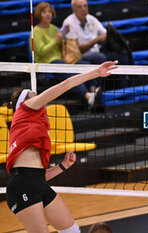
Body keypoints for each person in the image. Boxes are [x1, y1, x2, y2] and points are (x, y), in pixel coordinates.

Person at [5, 61, 117, 233]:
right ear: (24, 102)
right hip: (21, 187)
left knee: (71, 230)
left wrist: (63, 166)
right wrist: (96, 73)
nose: (39, 98)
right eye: (34, 95)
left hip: (36, 183)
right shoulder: (25, 109)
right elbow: (65, 84)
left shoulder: (34, 128)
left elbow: (37, 176)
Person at [32, 1, 100, 107]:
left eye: (49, 11)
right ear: (39, 14)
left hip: (62, 61)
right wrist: (56, 39)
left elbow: (60, 48)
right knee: (68, 72)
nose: (47, 14)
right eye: (44, 12)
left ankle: (93, 90)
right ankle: (87, 96)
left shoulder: (54, 28)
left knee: (84, 64)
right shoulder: (36, 31)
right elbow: (41, 51)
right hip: (47, 63)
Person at [62, 0, 128, 88]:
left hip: (97, 52)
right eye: (79, 6)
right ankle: (97, 89)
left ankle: (123, 88)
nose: (83, 9)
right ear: (73, 9)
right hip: (80, 56)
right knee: (99, 57)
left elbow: (104, 35)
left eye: (85, 6)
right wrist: (95, 40)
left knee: (121, 55)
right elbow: (77, 50)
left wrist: (109, 29)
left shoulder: (91, 19)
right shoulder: (68, 23)